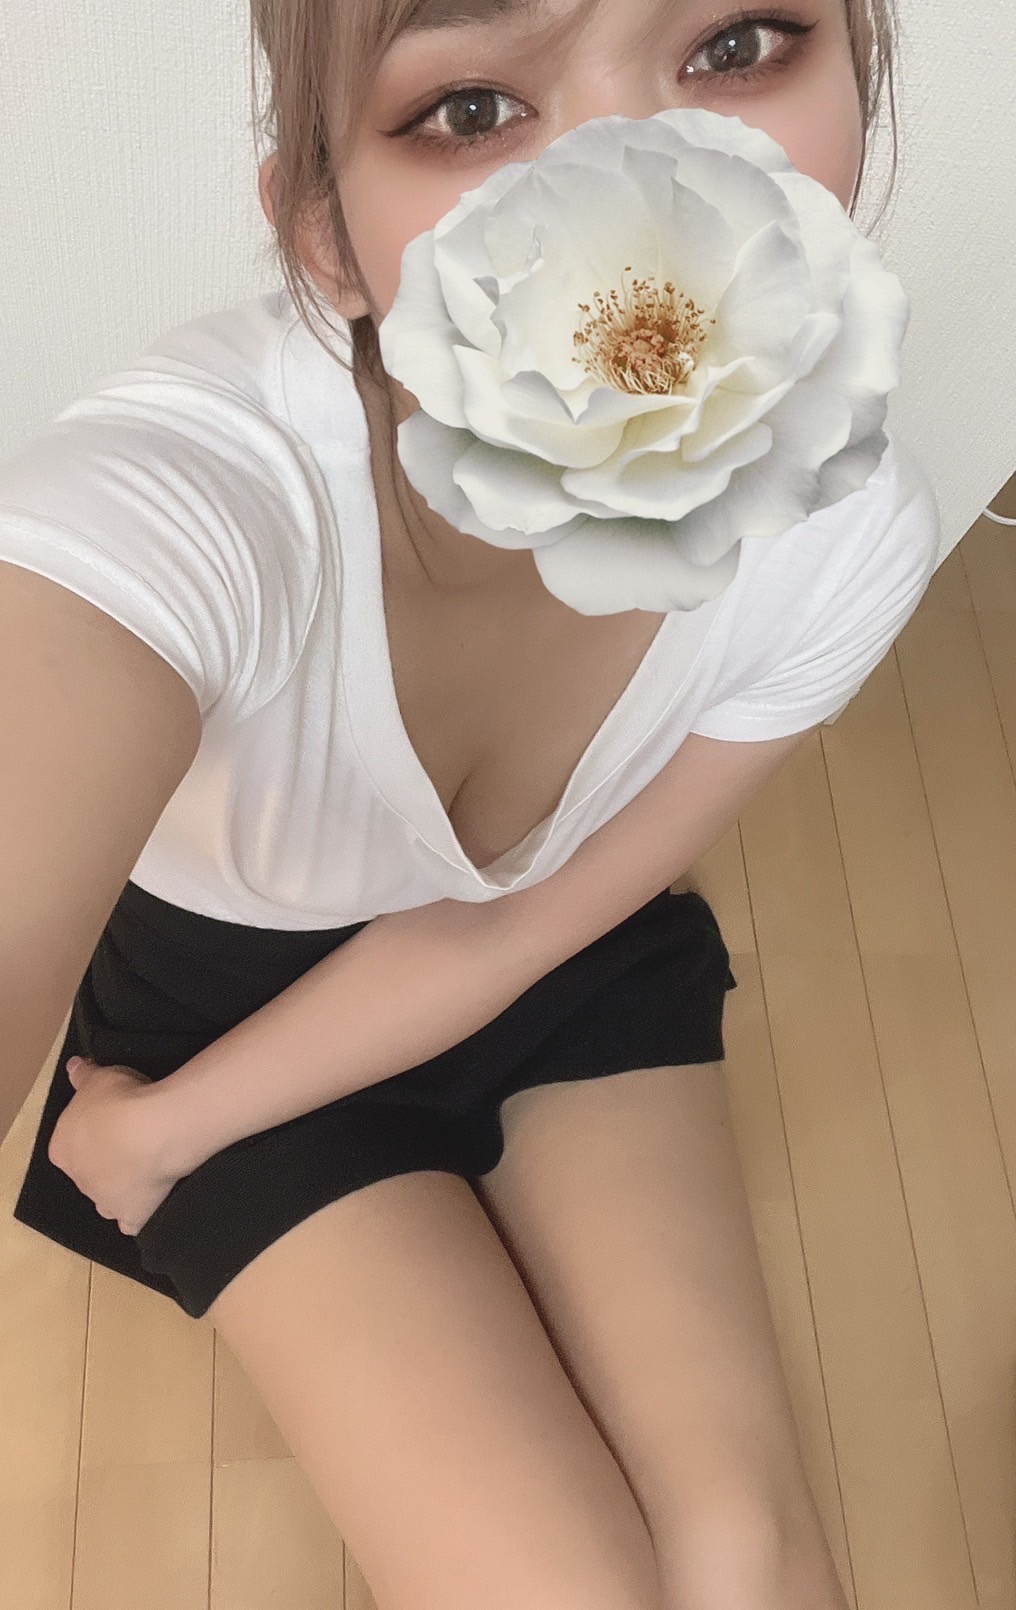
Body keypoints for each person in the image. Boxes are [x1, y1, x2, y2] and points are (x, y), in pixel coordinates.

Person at [1, 1, 940, 1607]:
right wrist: (173, 1113)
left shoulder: (847, 533)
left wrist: (161, 1137)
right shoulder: (205, 496)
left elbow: (526, 922)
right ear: (328, 238)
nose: (642, 181)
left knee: (748, 1560)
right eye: (469, 110)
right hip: (224, 1025)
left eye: (735, 46)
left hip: (553, 962)